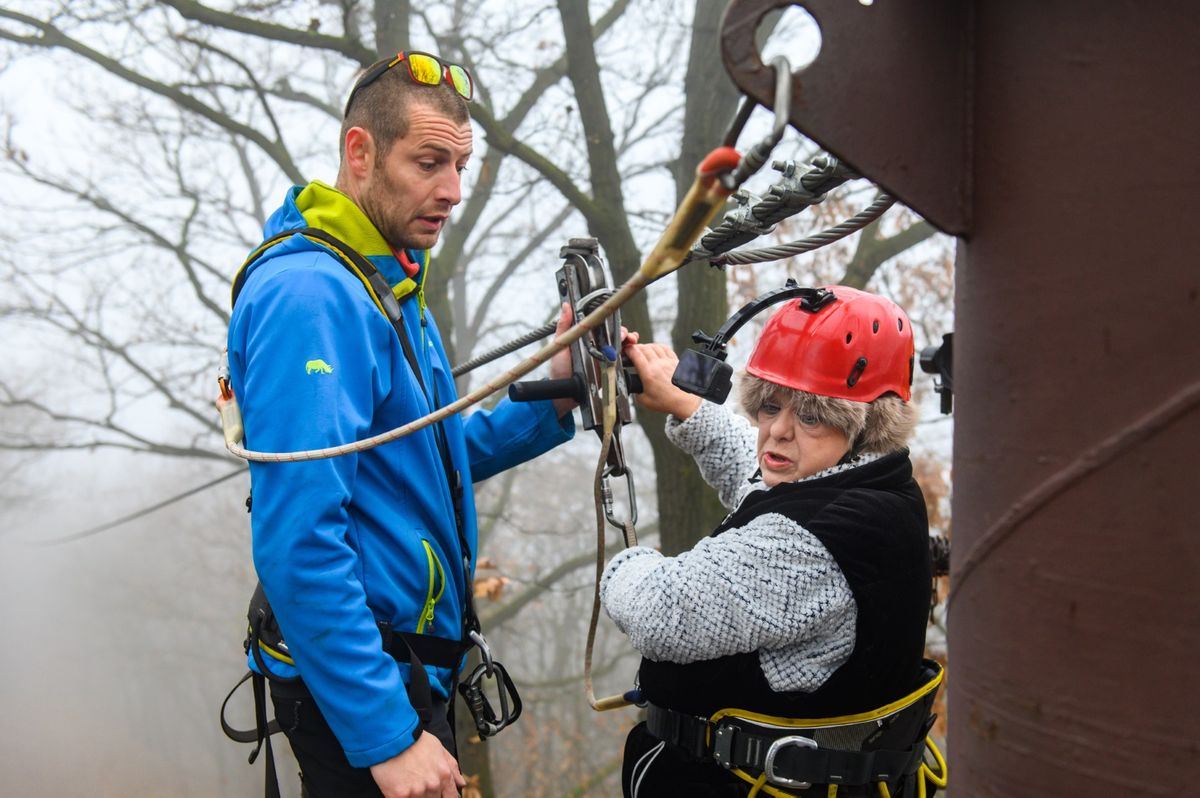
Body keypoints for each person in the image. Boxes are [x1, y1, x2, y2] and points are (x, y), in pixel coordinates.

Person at [227, 52, 578, 798]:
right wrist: (386, 735)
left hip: (401, 673)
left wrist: (556, 397)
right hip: (364, 685)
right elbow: (299, 536)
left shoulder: (384, 282)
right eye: (428, 162)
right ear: (361, 152)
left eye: (461, 164)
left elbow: (422, 457)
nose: (451, 191)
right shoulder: (315, 296)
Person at [603, 286, 937, 797]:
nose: (777, 431)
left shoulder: (814, 541)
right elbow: (765, 480)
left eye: (810, 414)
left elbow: (660, 613)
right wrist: (688, 407)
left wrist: (628, 563)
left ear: (866, 422)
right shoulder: (875, 487)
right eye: (769, 405)